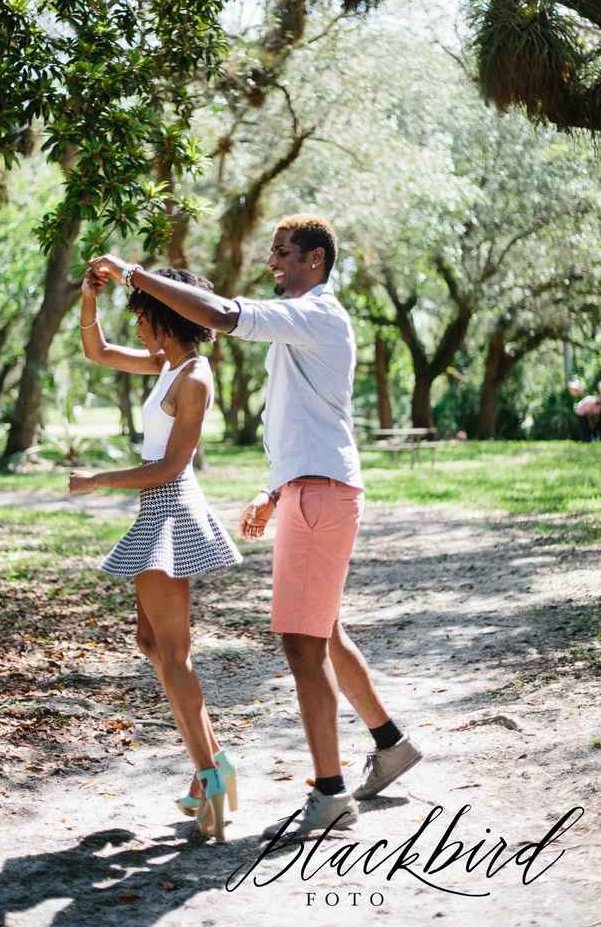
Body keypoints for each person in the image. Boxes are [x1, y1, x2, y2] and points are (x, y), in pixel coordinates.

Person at [89, 215, 423, 840]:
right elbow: (306, 422)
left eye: (283, 253)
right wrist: (275, 491)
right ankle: (391, 742)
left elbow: (218, 315)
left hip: (322, 497)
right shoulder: (302, 327)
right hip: (309, 490)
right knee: (323, 631)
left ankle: (330, 794)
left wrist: (135, 274)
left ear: (316, 260)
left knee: (302, 644)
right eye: (272, 252)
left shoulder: (317, 315)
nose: (273, 263)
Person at [68, 266, 242, 842]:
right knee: (152, 644)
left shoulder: (193, 376)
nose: (138, 329)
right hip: (154, 510)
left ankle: (210, 780)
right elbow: (97, 352)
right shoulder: (167, 364)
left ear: (164, 318)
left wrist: (98, 480)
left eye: (142, 318)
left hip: (171, 508)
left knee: (172, 654)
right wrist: (88, 298)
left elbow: (171, 466)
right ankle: (216, 765)